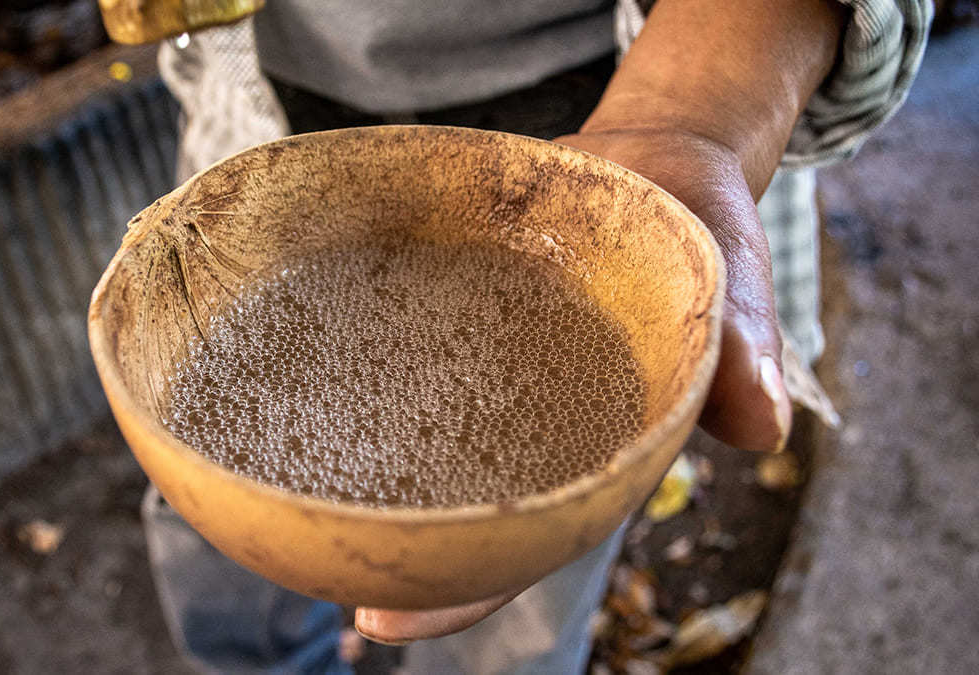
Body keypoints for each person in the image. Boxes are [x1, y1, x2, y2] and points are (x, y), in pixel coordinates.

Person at [144, 0, 932, 671]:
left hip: (600, 114)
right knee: (213, 537)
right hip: (260, 109)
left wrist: (690, 113)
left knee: (519, 610)